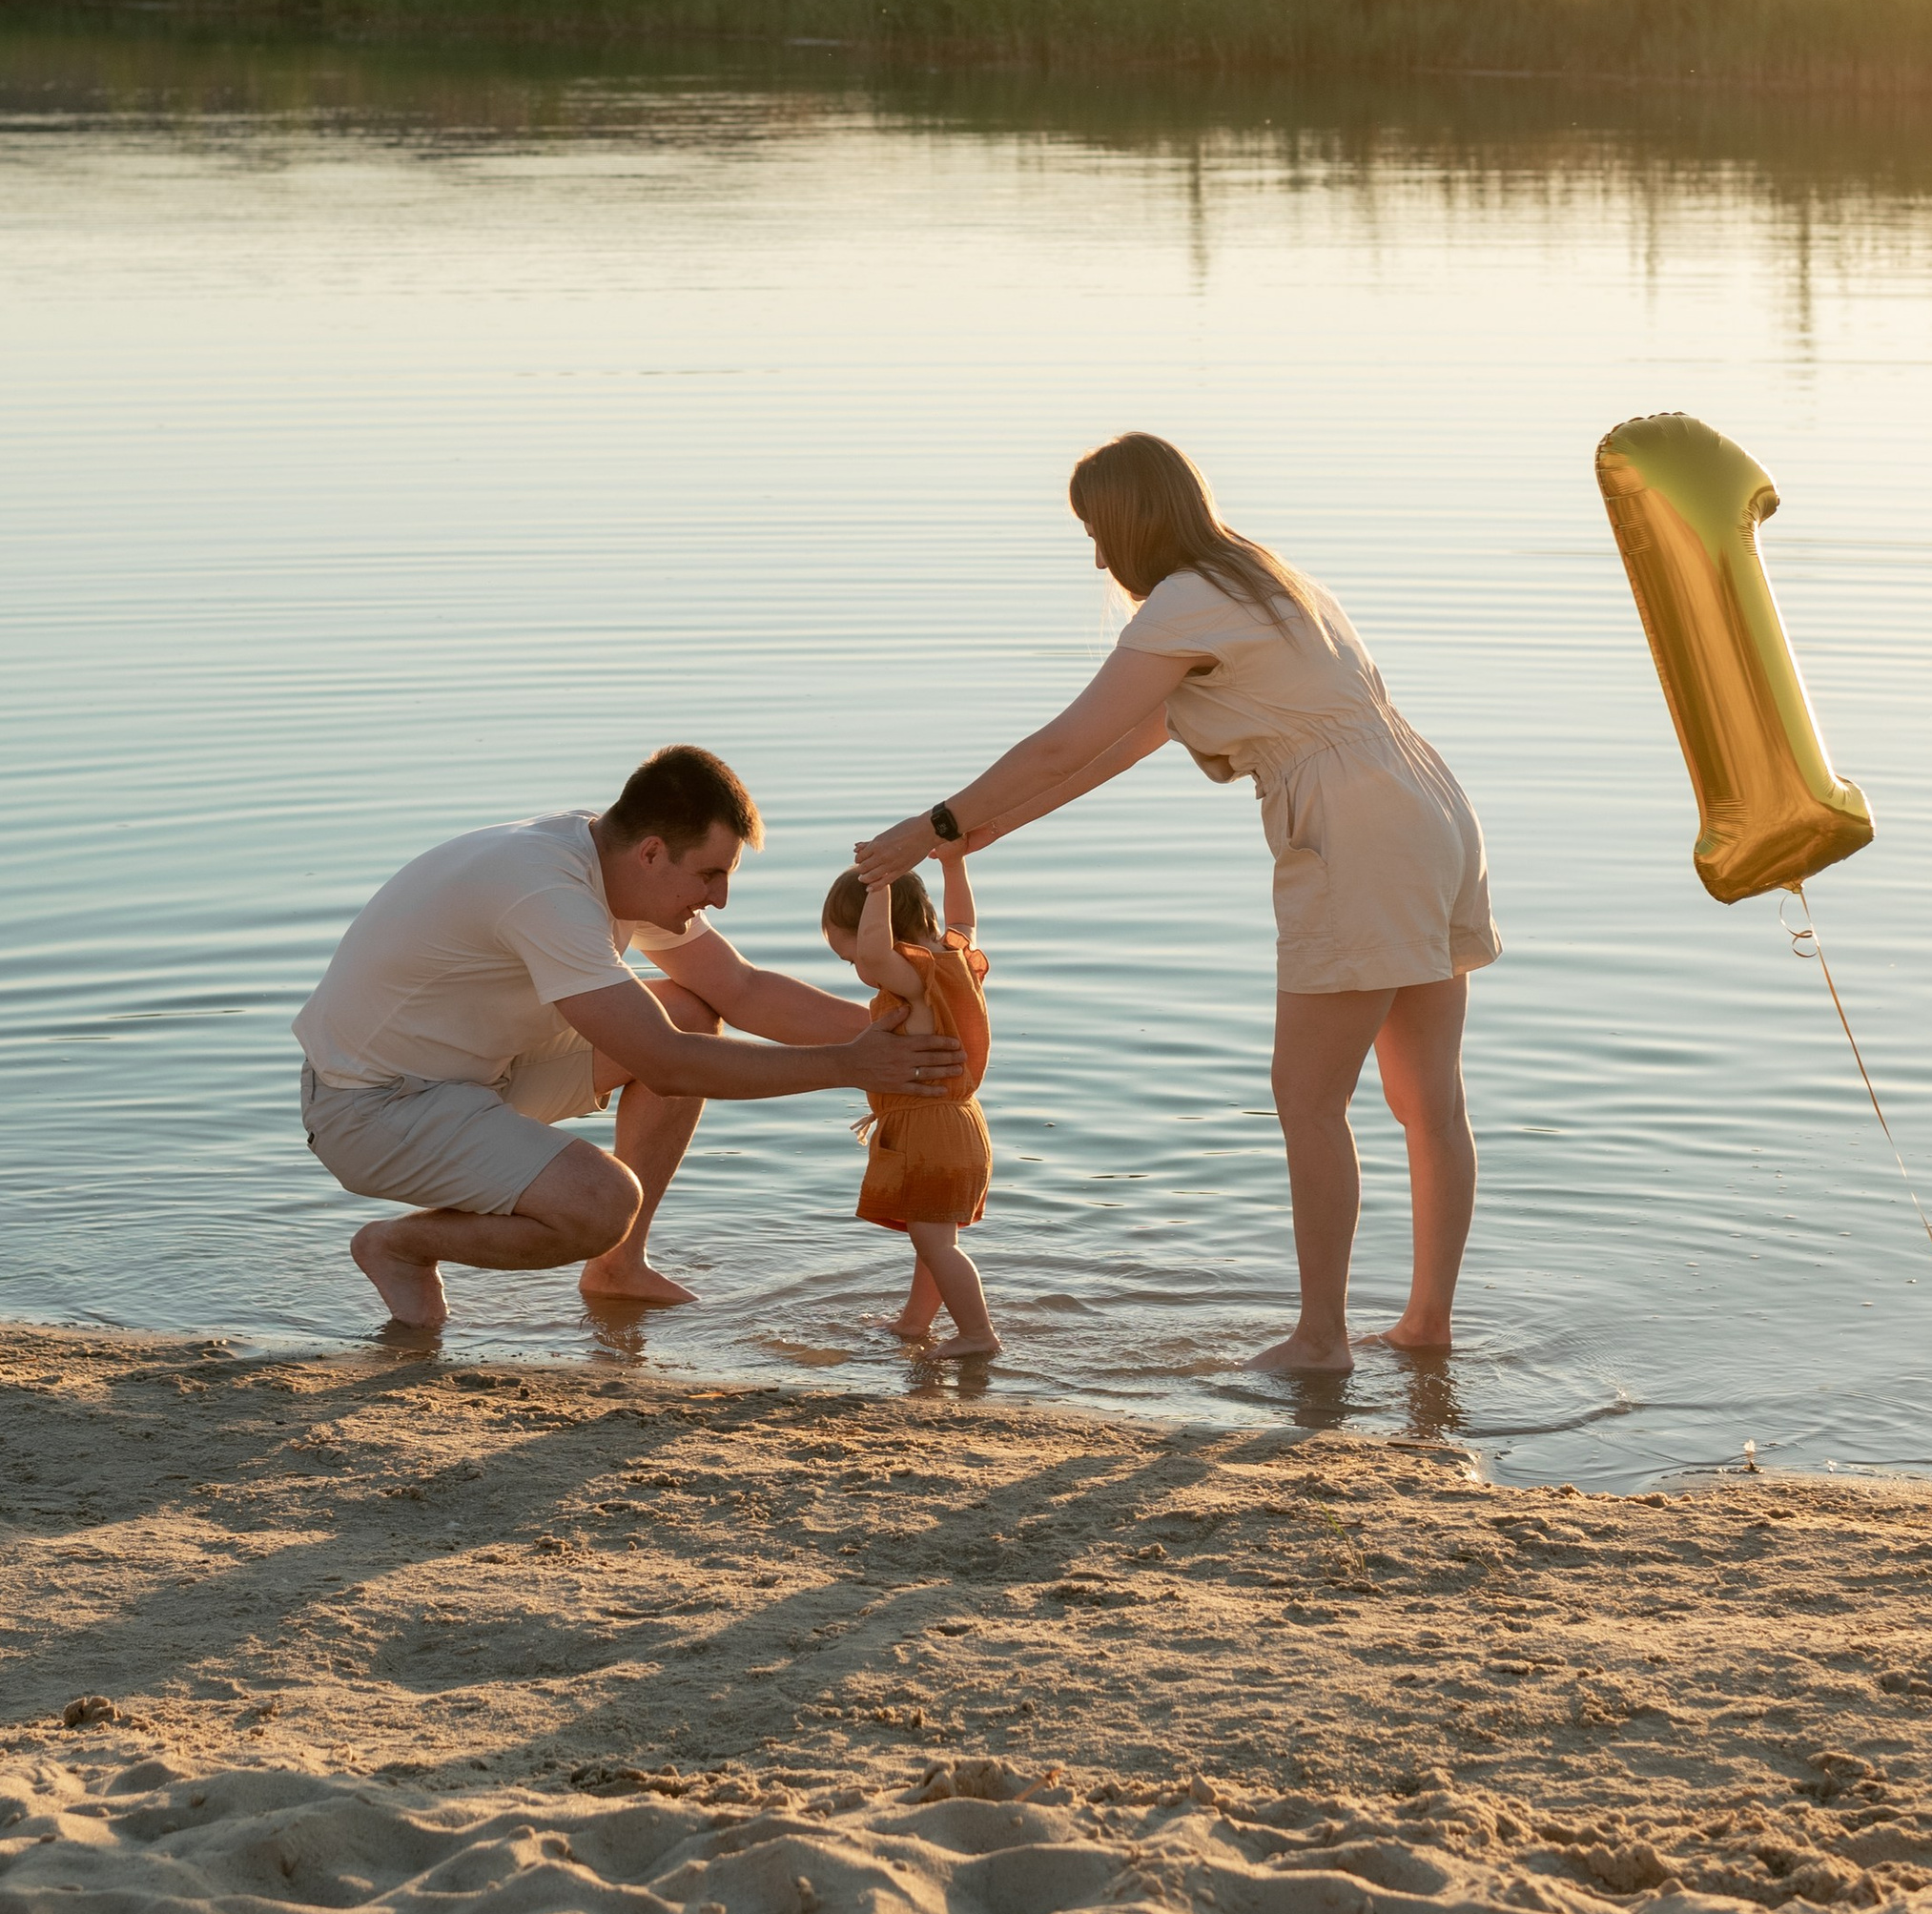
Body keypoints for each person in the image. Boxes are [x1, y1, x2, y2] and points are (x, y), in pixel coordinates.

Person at [855, 434, 1497, 1372]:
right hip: (1426, 807)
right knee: (1429, 1103)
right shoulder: (1265, 581)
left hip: (1351, 832)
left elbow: (1060, 739)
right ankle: (1425, 1325)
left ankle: (1322, 1339)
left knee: (1306, 1098)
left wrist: (930, 825)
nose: (1095, 557)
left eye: (1093, 532)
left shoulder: (1181, 603)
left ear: (1126, 523)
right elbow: (1122, 742)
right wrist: (986, 831)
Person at [295, 742, 967, 1331]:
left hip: (479, 1076)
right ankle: (400, 1246)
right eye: (711, 874)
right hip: (374, 1108)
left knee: (692, 1008)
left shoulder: (610, 861)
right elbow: (667, 1065)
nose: (721, 897)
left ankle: (617, 1270)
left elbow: (740, 989)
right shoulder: (546, 891)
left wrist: (915, 1037)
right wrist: (853, 1066)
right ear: (651, 852)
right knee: (601, 1200)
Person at [821, 853, 997, 1356]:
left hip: (930, 1129)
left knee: (936, 1244)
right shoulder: (953, 961)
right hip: (962, 1123)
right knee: (933, 1242)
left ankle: (978, 1335)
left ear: (879, 930)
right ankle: (914, 1324)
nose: (858, 967)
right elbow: (963, 920)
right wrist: (954, 864)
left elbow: (877, 953)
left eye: (848, 957)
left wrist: (878, 884)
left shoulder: (913, 982)